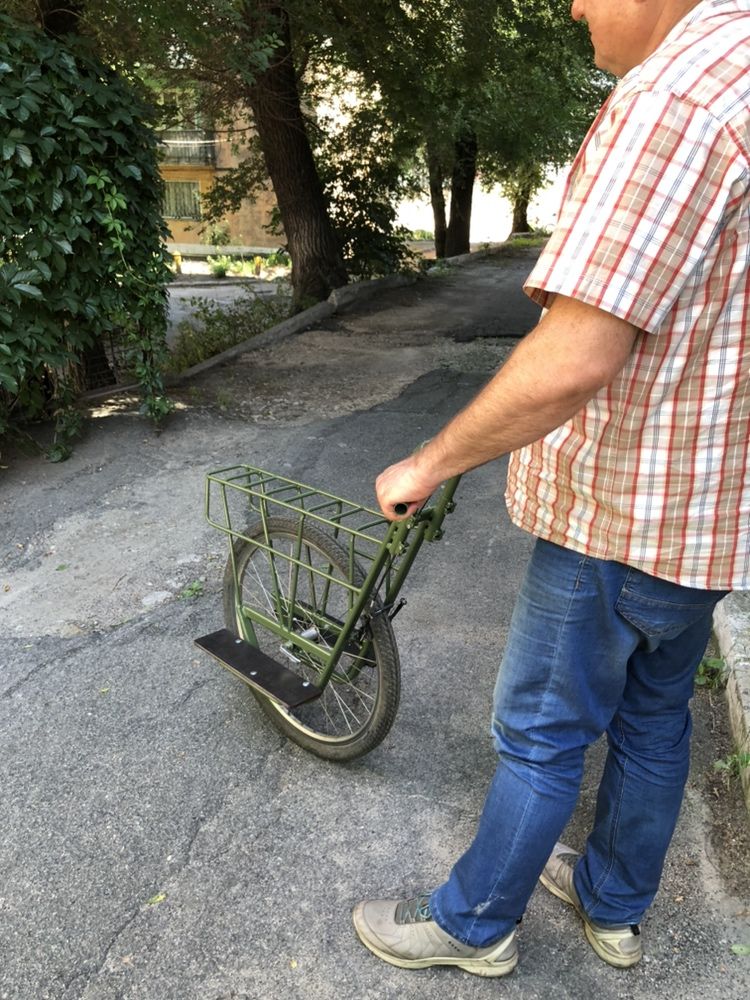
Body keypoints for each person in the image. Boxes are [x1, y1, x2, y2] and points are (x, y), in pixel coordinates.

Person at [352, 0, 750, 979]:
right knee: (656, 718)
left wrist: (431, 460)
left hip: (618, 511)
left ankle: (472, 922)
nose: (573, 5)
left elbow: (575, 356)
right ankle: (613, 905)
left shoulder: (676, 101)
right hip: (704, 517)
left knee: (541, 730)